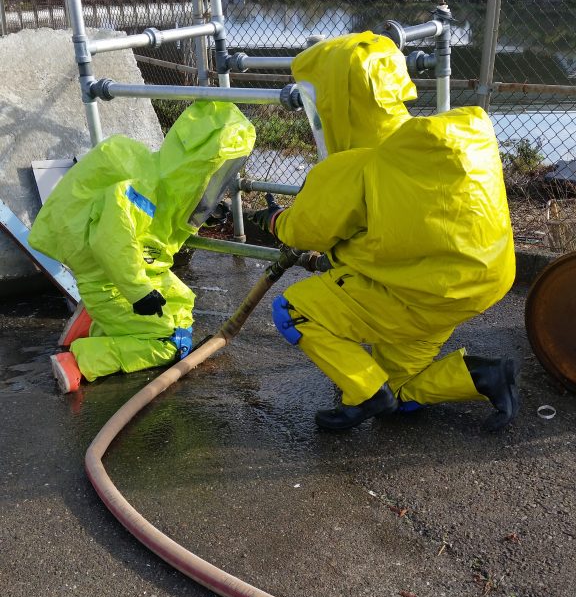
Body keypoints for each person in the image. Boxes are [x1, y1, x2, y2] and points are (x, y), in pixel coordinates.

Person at [250, 31, 518, 432]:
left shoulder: (361, 164)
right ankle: (483, 377)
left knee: (293, 310)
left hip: (412, 294)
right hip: (471, 288)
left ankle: (365, 393)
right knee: (400, 393)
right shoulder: (451, 140)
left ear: (337, 101)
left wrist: (272, 221)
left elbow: (303, 233)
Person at [28, 100, 255, 393]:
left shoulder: (168, 185)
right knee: (165, 343)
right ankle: (81, 360)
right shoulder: (141, 190)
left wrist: (206, 213)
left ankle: (99, 327)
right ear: (201, 165)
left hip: (140, 272)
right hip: (110, 281)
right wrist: (138, 292)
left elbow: (167, 220)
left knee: (182, 303)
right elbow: (110, 241)